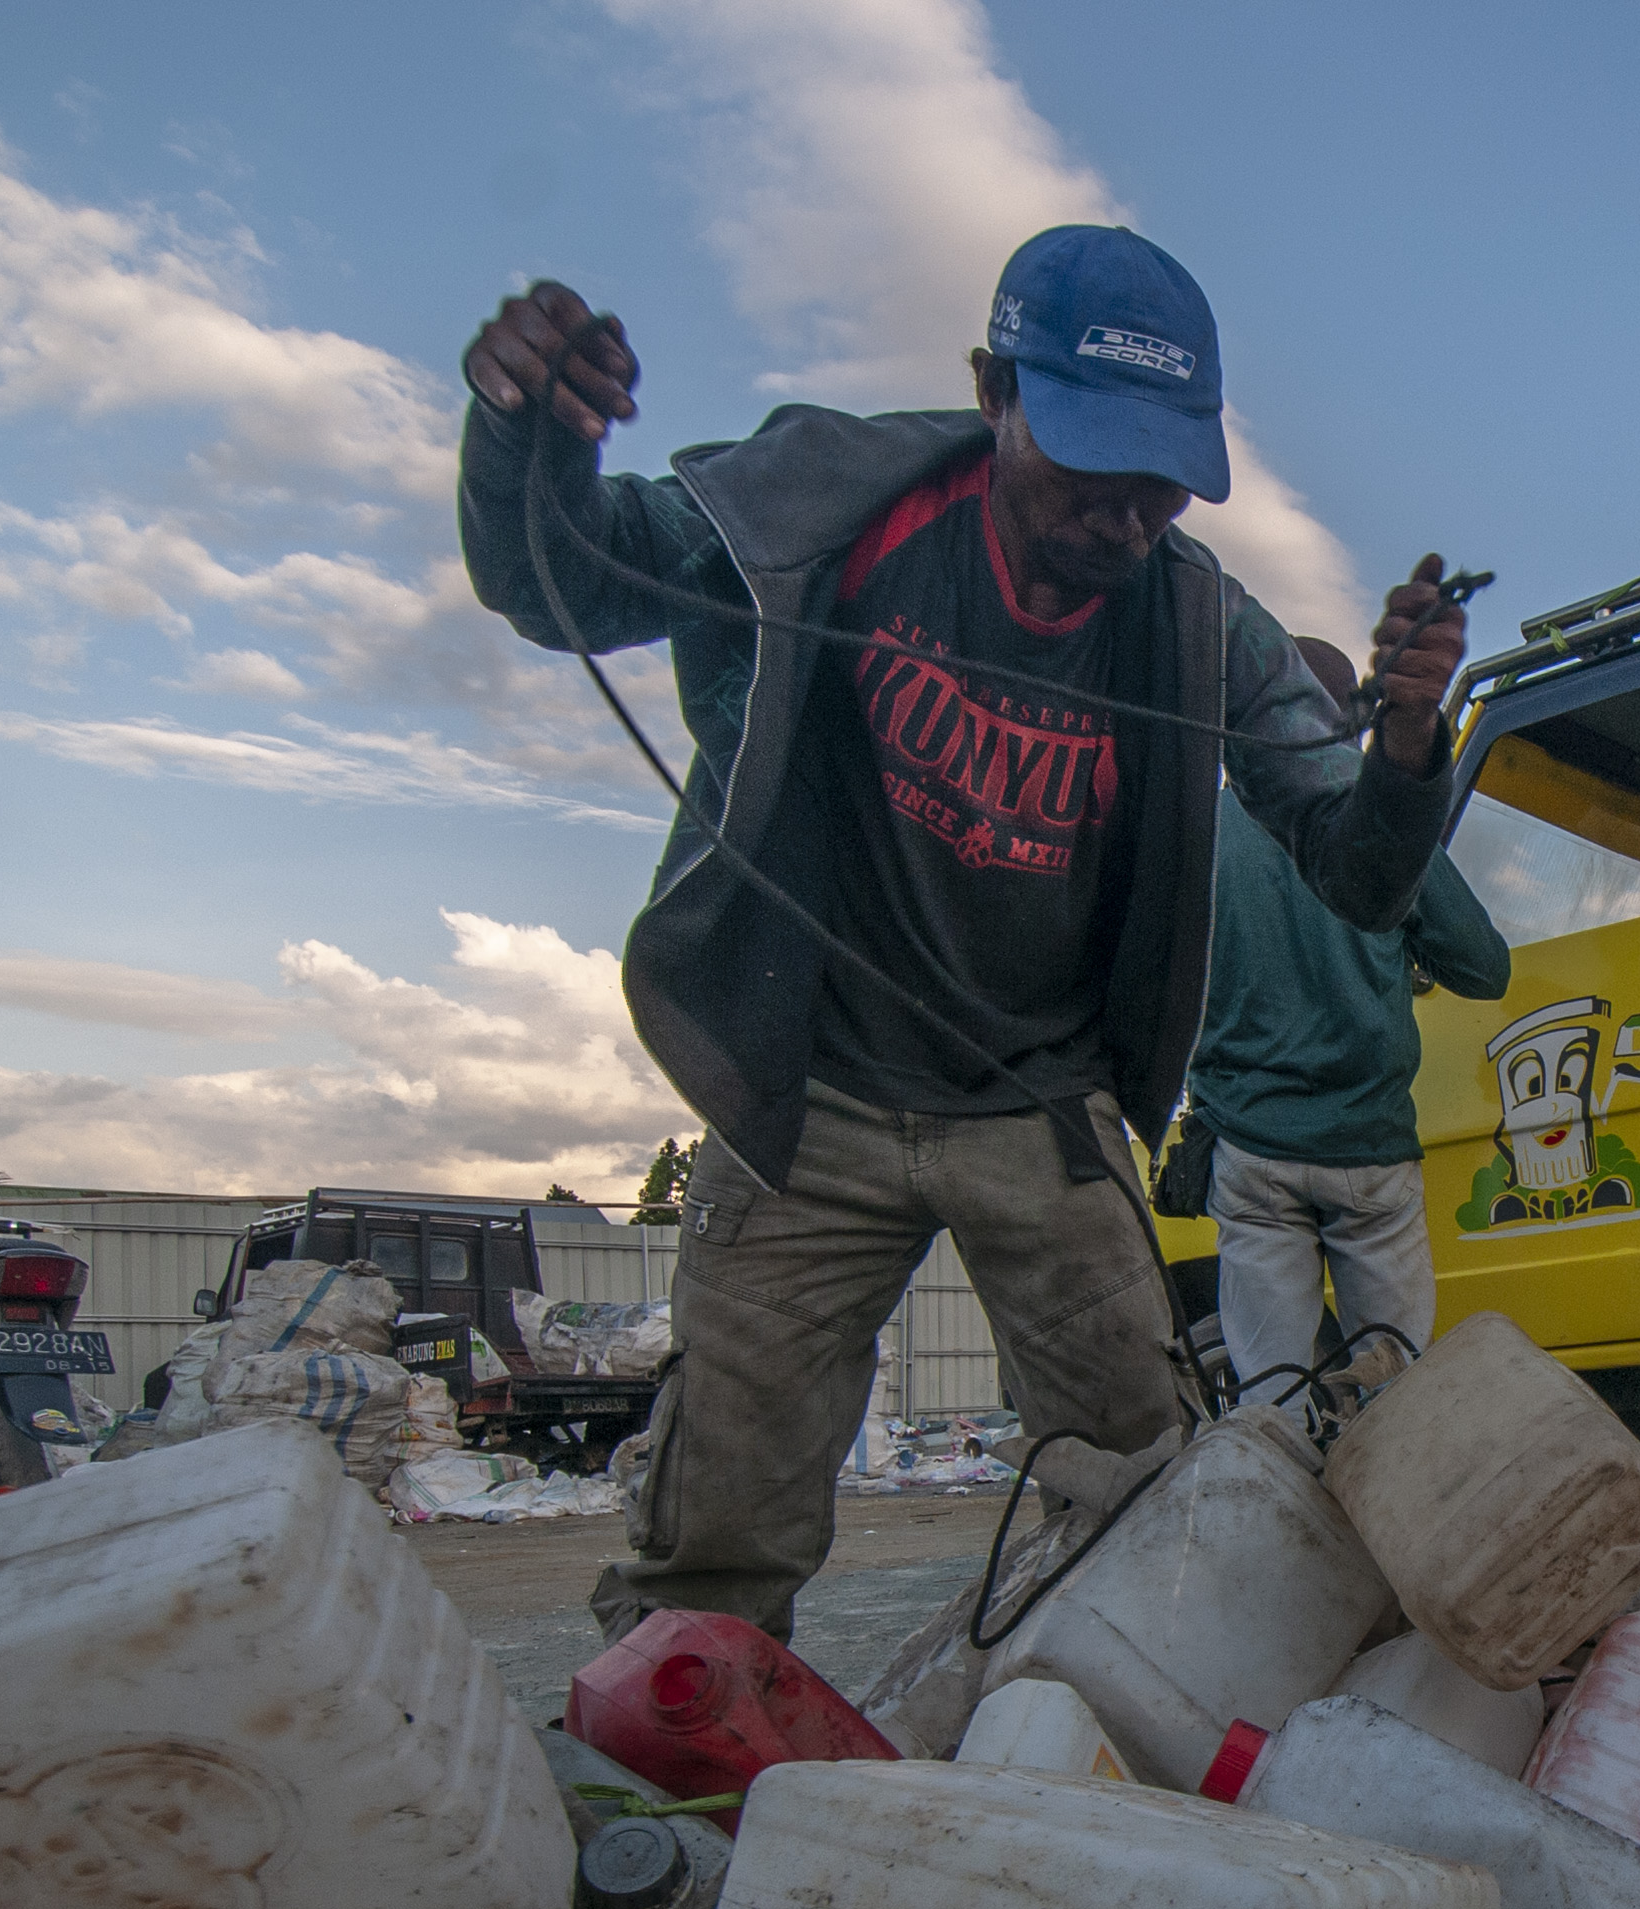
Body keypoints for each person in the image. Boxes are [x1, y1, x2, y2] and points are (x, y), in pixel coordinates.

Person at [454, 224, 1466, 1642]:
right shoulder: (831, 506)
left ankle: (1126, 1730)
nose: (1123, 517)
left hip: (1040, 1106)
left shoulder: (1200, 623)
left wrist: (1407, 746)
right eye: (1091, 464)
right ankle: (682, 1747)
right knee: (719, 1527)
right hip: (811, 1092)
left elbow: (1353, 867)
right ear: (996, 392)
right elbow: (559, 574)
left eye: (1159, 482)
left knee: (1145, 1488)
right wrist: (530, 437)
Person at [1189, 636, 1510, 1396]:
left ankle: (1279, 1462)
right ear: (1349, 726)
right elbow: (1485, 967)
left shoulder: (1194, 836)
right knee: (1401, 1395)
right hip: (1370, 1150)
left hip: (1250, 1151)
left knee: (1271, 1399)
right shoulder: (1380, 826)